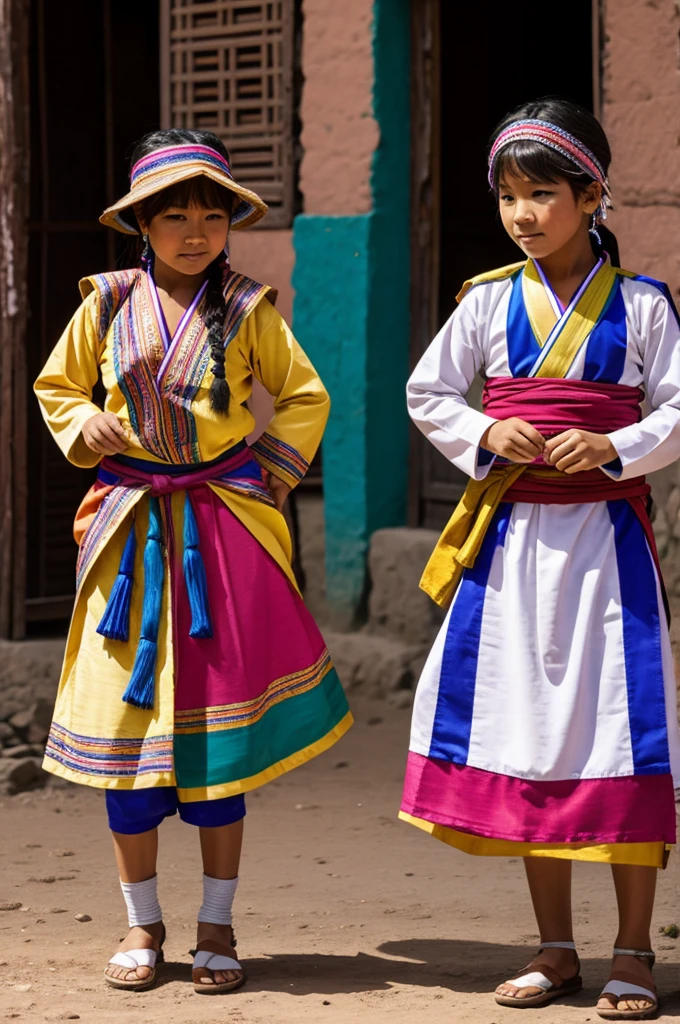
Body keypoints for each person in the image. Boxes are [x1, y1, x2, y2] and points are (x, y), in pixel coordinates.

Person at [34, 129, 351, 995]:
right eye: (175, 215)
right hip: (129, 532)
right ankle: (142, 922)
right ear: (141, 223)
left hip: (220, 530)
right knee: (123, 750)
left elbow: (303, 396)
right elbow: (57, 387)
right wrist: (84, 426)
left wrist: (264, 481)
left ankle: (219, 921)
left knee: (217, 756)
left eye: (212, 216)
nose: (196, 231)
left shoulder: (249, 309)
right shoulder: (102, 305)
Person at [399, 97, 680, 1020]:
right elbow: (430, 391)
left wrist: (616, 447)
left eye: (543, 193)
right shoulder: (485, 302)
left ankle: (634, 949)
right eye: (509, 197)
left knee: (619, 732)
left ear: (592, 193)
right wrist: (490, 429)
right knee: (530, 733)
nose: (523, 214)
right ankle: (556, 949)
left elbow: (677, 407)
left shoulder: (643, 307)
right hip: (511, 544)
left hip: (607, 550)